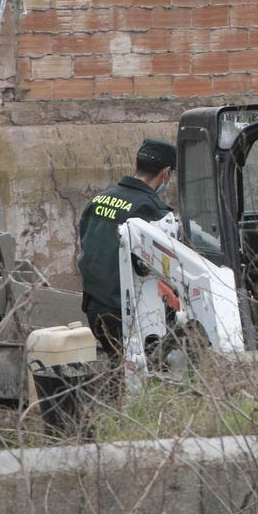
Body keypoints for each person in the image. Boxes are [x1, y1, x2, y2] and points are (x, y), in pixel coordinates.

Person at [77, 139, 176, 356]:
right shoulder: (152, 211)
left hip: (95, 308)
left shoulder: (98, 200)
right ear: (166, 173)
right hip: (128, 314)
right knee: (140, 377)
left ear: (136, 163)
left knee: (117, 372)